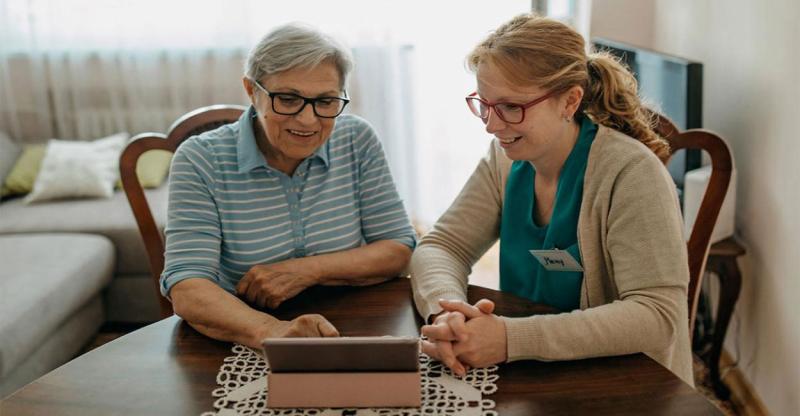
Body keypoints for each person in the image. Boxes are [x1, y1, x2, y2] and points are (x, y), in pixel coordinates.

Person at [410, 13, 693, 386]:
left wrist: (510, 339)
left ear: (570, 101)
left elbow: (656, 316)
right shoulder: (504, 159)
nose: (491, 126)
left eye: (512, 107)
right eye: (485, 103)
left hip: (625, 383)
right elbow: (443, 245)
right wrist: (448, 314)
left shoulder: (630, 173)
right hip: (534, 371)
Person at [161, 23, 416, 349]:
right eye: (288, 98)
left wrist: (306, 271)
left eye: (325, 101)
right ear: (252, 91)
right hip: (242, 332)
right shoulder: (200, 159)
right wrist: (272, 331)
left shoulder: (356, 139)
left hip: (352, 322)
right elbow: (188, 287)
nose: (308, 120)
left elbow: (398, 248)